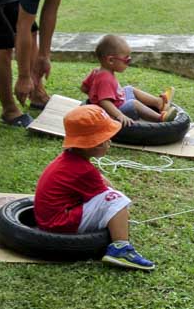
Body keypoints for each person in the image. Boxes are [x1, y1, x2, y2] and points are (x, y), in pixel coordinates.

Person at [34, 105, 155, 271]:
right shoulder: (83, 171)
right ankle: (120, 249)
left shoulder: (69, 160)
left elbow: (99, 182)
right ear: (93, 144)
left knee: (111, 198)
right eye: (106, 139)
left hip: (49, 219)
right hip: (59, 224)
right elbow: (109, 194)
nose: (110, 142)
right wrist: (119, 212)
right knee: (117, 200)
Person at [81, 35, 176, 125]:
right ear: (111, 60)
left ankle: (159, 103)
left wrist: (94, 96)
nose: (128, 63)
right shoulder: (106, 79)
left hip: (116, 102)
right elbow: (104, 102)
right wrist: (119, 115)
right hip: (112, 112)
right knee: (133, 104)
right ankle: (160, 118)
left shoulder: (96, 71)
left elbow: (84, 88)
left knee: (129, 89)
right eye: (127, 60)